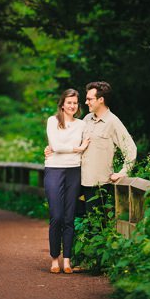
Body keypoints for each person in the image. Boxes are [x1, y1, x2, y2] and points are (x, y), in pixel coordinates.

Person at [43, 89, 89, 274]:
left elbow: (86, 145)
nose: (72, 106)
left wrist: (73, 150)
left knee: (69, 217)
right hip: (54, 169)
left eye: (75, 103)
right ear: (62, 104)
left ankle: (67, 260)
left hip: (74, 171)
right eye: (69, 102)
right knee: (57, 216)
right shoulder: (52, 121)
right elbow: (55, 145)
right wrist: (78, 149)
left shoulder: (81, 124)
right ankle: (55, 259)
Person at [78, 80, 137, 214]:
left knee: (95, 225)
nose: (86, 102)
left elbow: (130, 148)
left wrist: (123, 172)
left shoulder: (113, 122)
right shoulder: (86, 119)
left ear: (101, 100)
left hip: (98, 185)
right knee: (74, 219)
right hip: (79, 181)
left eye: (89, 99)